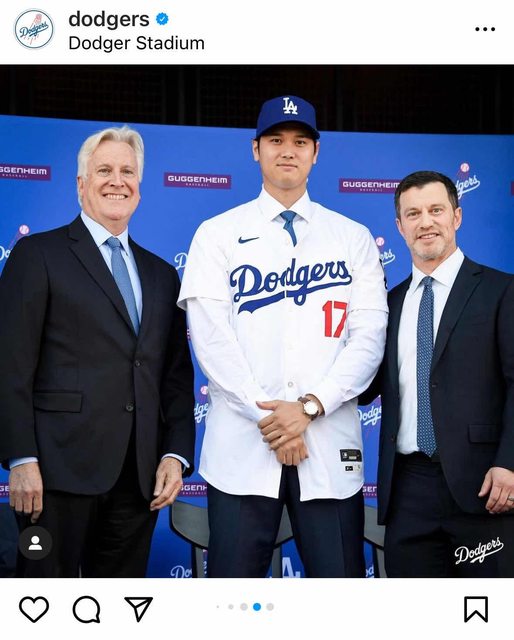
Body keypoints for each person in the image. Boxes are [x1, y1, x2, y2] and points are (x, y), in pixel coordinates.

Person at [178, 95, 388, 577]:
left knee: (339, 596)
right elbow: (211, 341)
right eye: (275, 140)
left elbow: (368, 339)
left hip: (328, 447)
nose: (287, 150)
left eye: (300, 141)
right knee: (232, 599)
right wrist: (273, 419)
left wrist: (309, 407)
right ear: (256, 150)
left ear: (316, 152)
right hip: (243, 449)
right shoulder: (217, 233)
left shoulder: (352, 237)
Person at [0, 125, 195, 578]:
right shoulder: (38, 255)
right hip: (54, 476)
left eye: (128, 172)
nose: (117, 181)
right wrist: (21, 459)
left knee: (121, 606)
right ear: (81, 183)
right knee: (42, 602)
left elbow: (174, 376)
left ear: (140, 187)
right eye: (104, 170)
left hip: (138, 480)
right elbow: (9, 365)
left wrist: (175, 454)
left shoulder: (162, 275)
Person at [361, 170, 514, 577]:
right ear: (400, 226)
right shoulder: (387, 304)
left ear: (457, 216)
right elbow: (363, 385)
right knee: (415, 612)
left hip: (485, 485)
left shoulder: (502, 291)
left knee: (486, 611)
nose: (425, 222)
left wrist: (510, 464)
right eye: (413, 214)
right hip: (407, 490)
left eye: (436, 210)